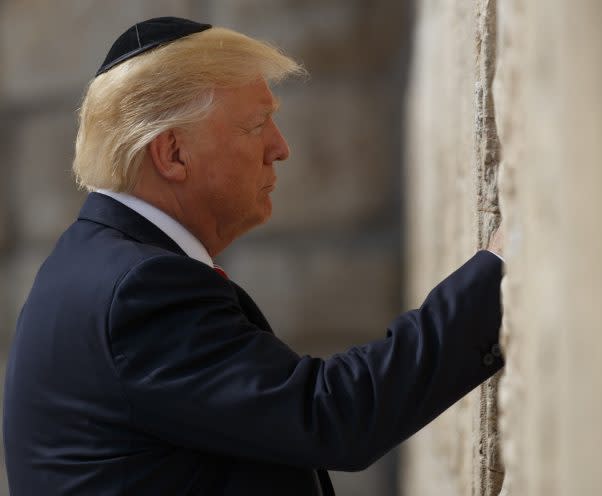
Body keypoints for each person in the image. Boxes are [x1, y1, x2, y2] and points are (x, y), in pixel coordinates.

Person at [3, 17, 505, 495]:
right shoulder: (137, 291)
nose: (280, 148)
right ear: (173, 153)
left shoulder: (100, 269)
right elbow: (329, 416)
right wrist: (496, 276)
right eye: (256, 125)